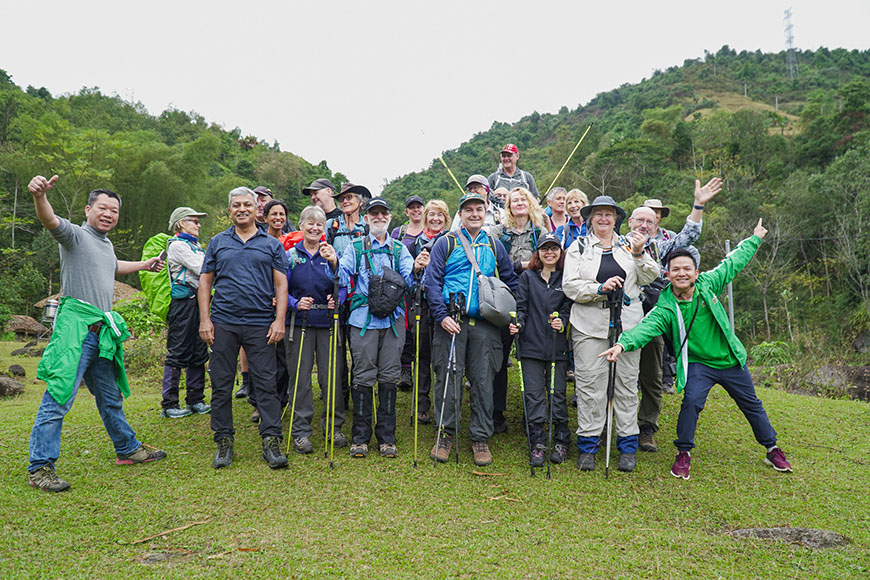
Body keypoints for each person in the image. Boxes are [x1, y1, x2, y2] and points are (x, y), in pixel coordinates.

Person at [601, 221, 793, 480]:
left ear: (696, 272)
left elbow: (734, 262)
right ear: (666, 275)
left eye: (686, 269)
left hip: (730, 360)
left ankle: (772, 448)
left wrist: (756, 237)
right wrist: (622, 344)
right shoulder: (666, 306)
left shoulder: (708, 284)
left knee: (752, 405)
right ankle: (683, 453)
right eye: (675, 270)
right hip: (698, 364)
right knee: (691, 402)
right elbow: (644, 329)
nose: (681, 274)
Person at [26, 174, 167, 492]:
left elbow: (113, 265)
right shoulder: (74, 235)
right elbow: (49, 220)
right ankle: (40, 468)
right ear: (88, 210)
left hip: (101, 335)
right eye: (103, 208)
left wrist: (144, 265)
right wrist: (39, 196)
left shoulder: (105, 244)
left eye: (114, 211)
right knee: (59, 398)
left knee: (110, 397)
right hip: (76, 333)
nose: (109, 214)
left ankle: (128, 448)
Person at [562, 196, 658, 473]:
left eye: (609, 214)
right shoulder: (578, 247)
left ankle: (627, 445)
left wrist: (640, 254)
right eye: (598, 214)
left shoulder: (631, 245)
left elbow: (650, 276)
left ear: (617, 219)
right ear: (590, 218)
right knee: (590, 384)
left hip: (627, 327)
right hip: (588, 326)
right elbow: (570, 286)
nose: (604, 219)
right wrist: (598, 289)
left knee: (626, 385)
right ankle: (589, 444)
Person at [198, 186, 289, 470]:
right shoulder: (217, 242)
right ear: (229, 210)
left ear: (256, 209)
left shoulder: (271, 244)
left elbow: (281, 284)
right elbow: (205, 282)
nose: (242, 209)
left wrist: (279, 320)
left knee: (266, 384)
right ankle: (224, 441)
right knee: (222, 384)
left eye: (247, 205)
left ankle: (271, 440)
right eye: (236, 205)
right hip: (223, 321)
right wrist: (205, 319)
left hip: (261, 322)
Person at [425, 191, 518, 466]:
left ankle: (480, 438)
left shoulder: (493, 243)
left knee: (483, 381)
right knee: (449, 380)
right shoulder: (446, 242)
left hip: (486, 323)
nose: (474, 214)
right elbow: (432, 281)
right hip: (451, 322)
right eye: (469, 210)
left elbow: (510, 279)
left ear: (485, 212)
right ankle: (445, 435)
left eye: (479, 209)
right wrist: (441, 315)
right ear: (461, 215)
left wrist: (513, 315)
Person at [630, 178, 723, 452]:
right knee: (616, 374)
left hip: (655, 318)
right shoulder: (617, 243)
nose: (644, 226)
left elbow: (689, 236)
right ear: (630, 223)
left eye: (650, 222)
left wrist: (698, 205)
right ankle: (612, 427)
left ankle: (646, 428)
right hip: (622, 317)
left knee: (651, 375)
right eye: (639, 221)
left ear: (656, 226)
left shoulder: (662, 247)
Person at [335, 197, 427, 458]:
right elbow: (342, 275)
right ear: (366, 218)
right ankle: (360, 438)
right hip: (362, 320)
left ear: (389, 217)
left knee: (389, 376)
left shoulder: (399, 250)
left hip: (393, 322)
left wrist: (419, 267)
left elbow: (410, 280)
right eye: (373, 213)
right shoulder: (354, 247)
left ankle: (387, 438)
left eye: (383, 213)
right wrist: (332, 260)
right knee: (363, 375)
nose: (378, 217)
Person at [486, 187, 549, 433]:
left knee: (532, 357)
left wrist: (522, 265)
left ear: (531, 203)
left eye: (524, 199)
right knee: (499, 358)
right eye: (514, 200)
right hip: (502, 299)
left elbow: (549, 260)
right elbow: (489, 261)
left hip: (534, 302)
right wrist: (521, 265)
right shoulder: (497, 232)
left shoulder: (540, 231)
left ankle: (532, 414)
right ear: (508, 206)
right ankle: (496, 412)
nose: (519, 203)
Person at [285, 205, 347, 453]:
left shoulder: (330, 254)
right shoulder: (290, 255)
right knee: (300, 378)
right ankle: (301, 431)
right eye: (309, 223)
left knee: (331, 377)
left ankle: (334, 428)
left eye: (319, 224)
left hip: (328, 323)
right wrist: (294, 303)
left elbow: (343, 285)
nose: (314, 227)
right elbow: (278, 289)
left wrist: (337, 299)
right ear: (300, 226)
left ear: (325, 229)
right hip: (299, 323)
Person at [509, 233, 572, 466]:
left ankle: (561, 440)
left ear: (560, 252)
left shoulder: (566, 278)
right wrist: (518, 324)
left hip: (557, 347)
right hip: (531, 347)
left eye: (554, 248)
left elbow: (568, 308)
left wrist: (562, 321)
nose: (549, 253)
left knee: (556, 394)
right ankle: (537, 441)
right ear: (538, 252)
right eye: (545, 249)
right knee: (534, 396)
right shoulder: (527, 277)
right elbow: (521, 307)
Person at [161, 206, 211, 418]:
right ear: (181, 223)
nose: (198, 224)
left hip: (199, 301)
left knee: (199, 349)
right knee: (178, 350)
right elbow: (202, 268)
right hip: (183, 304)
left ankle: (195, 399)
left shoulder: (195, 245)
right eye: (194, 220)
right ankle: (169, 403)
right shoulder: (179, 246)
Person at [412, 200, 451, 423]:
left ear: (446, 218)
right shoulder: (416, 242)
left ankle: (442, 406)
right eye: (432, 215)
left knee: (442, 358)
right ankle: (422, 404)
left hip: (444, 305)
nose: (435, 219)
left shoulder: (452, 240)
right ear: (425, 217)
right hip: (420, 304)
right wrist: (417, 267)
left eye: (440, 215)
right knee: (423, 356)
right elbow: (408, 275)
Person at [391, 195, 426, 391]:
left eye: (418, 207)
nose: (415, 210)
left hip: (424, 286)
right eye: (411, 208)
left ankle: (421, 367)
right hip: (403, 287)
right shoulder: (399, 232)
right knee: (405, 327)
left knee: (420, 328)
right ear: (406, 212)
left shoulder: (431, 230)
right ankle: (405, 369)